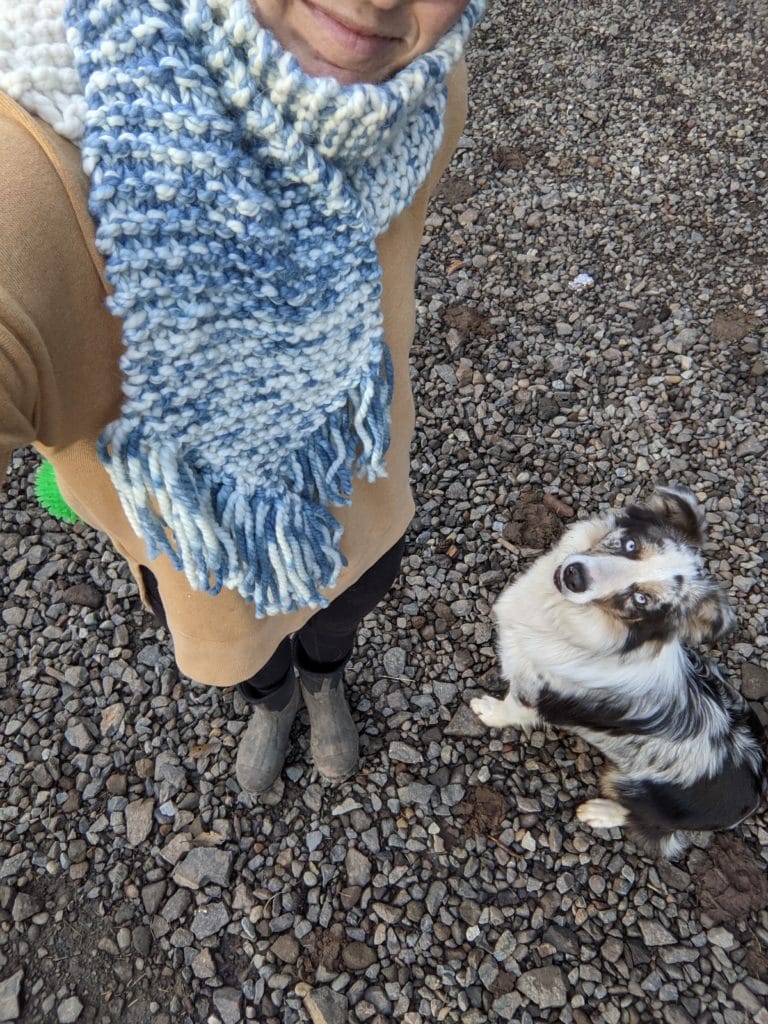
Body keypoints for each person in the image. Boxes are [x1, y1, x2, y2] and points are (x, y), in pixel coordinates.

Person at [0, 0, 485, 794]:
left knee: (342, 614)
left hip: (363, 485)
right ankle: (276, 701)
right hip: (201, 557)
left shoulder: (421, 80)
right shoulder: (47, 144)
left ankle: (323, 682)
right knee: (243, 649)